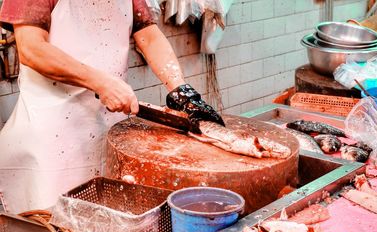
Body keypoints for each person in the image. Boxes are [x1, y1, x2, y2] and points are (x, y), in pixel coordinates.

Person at [0, 0, 224, 214]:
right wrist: (100, 81)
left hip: (108, 131)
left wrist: (180, 90)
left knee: (105, 229)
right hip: (52, 140)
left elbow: (149, 35)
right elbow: (31, 48)